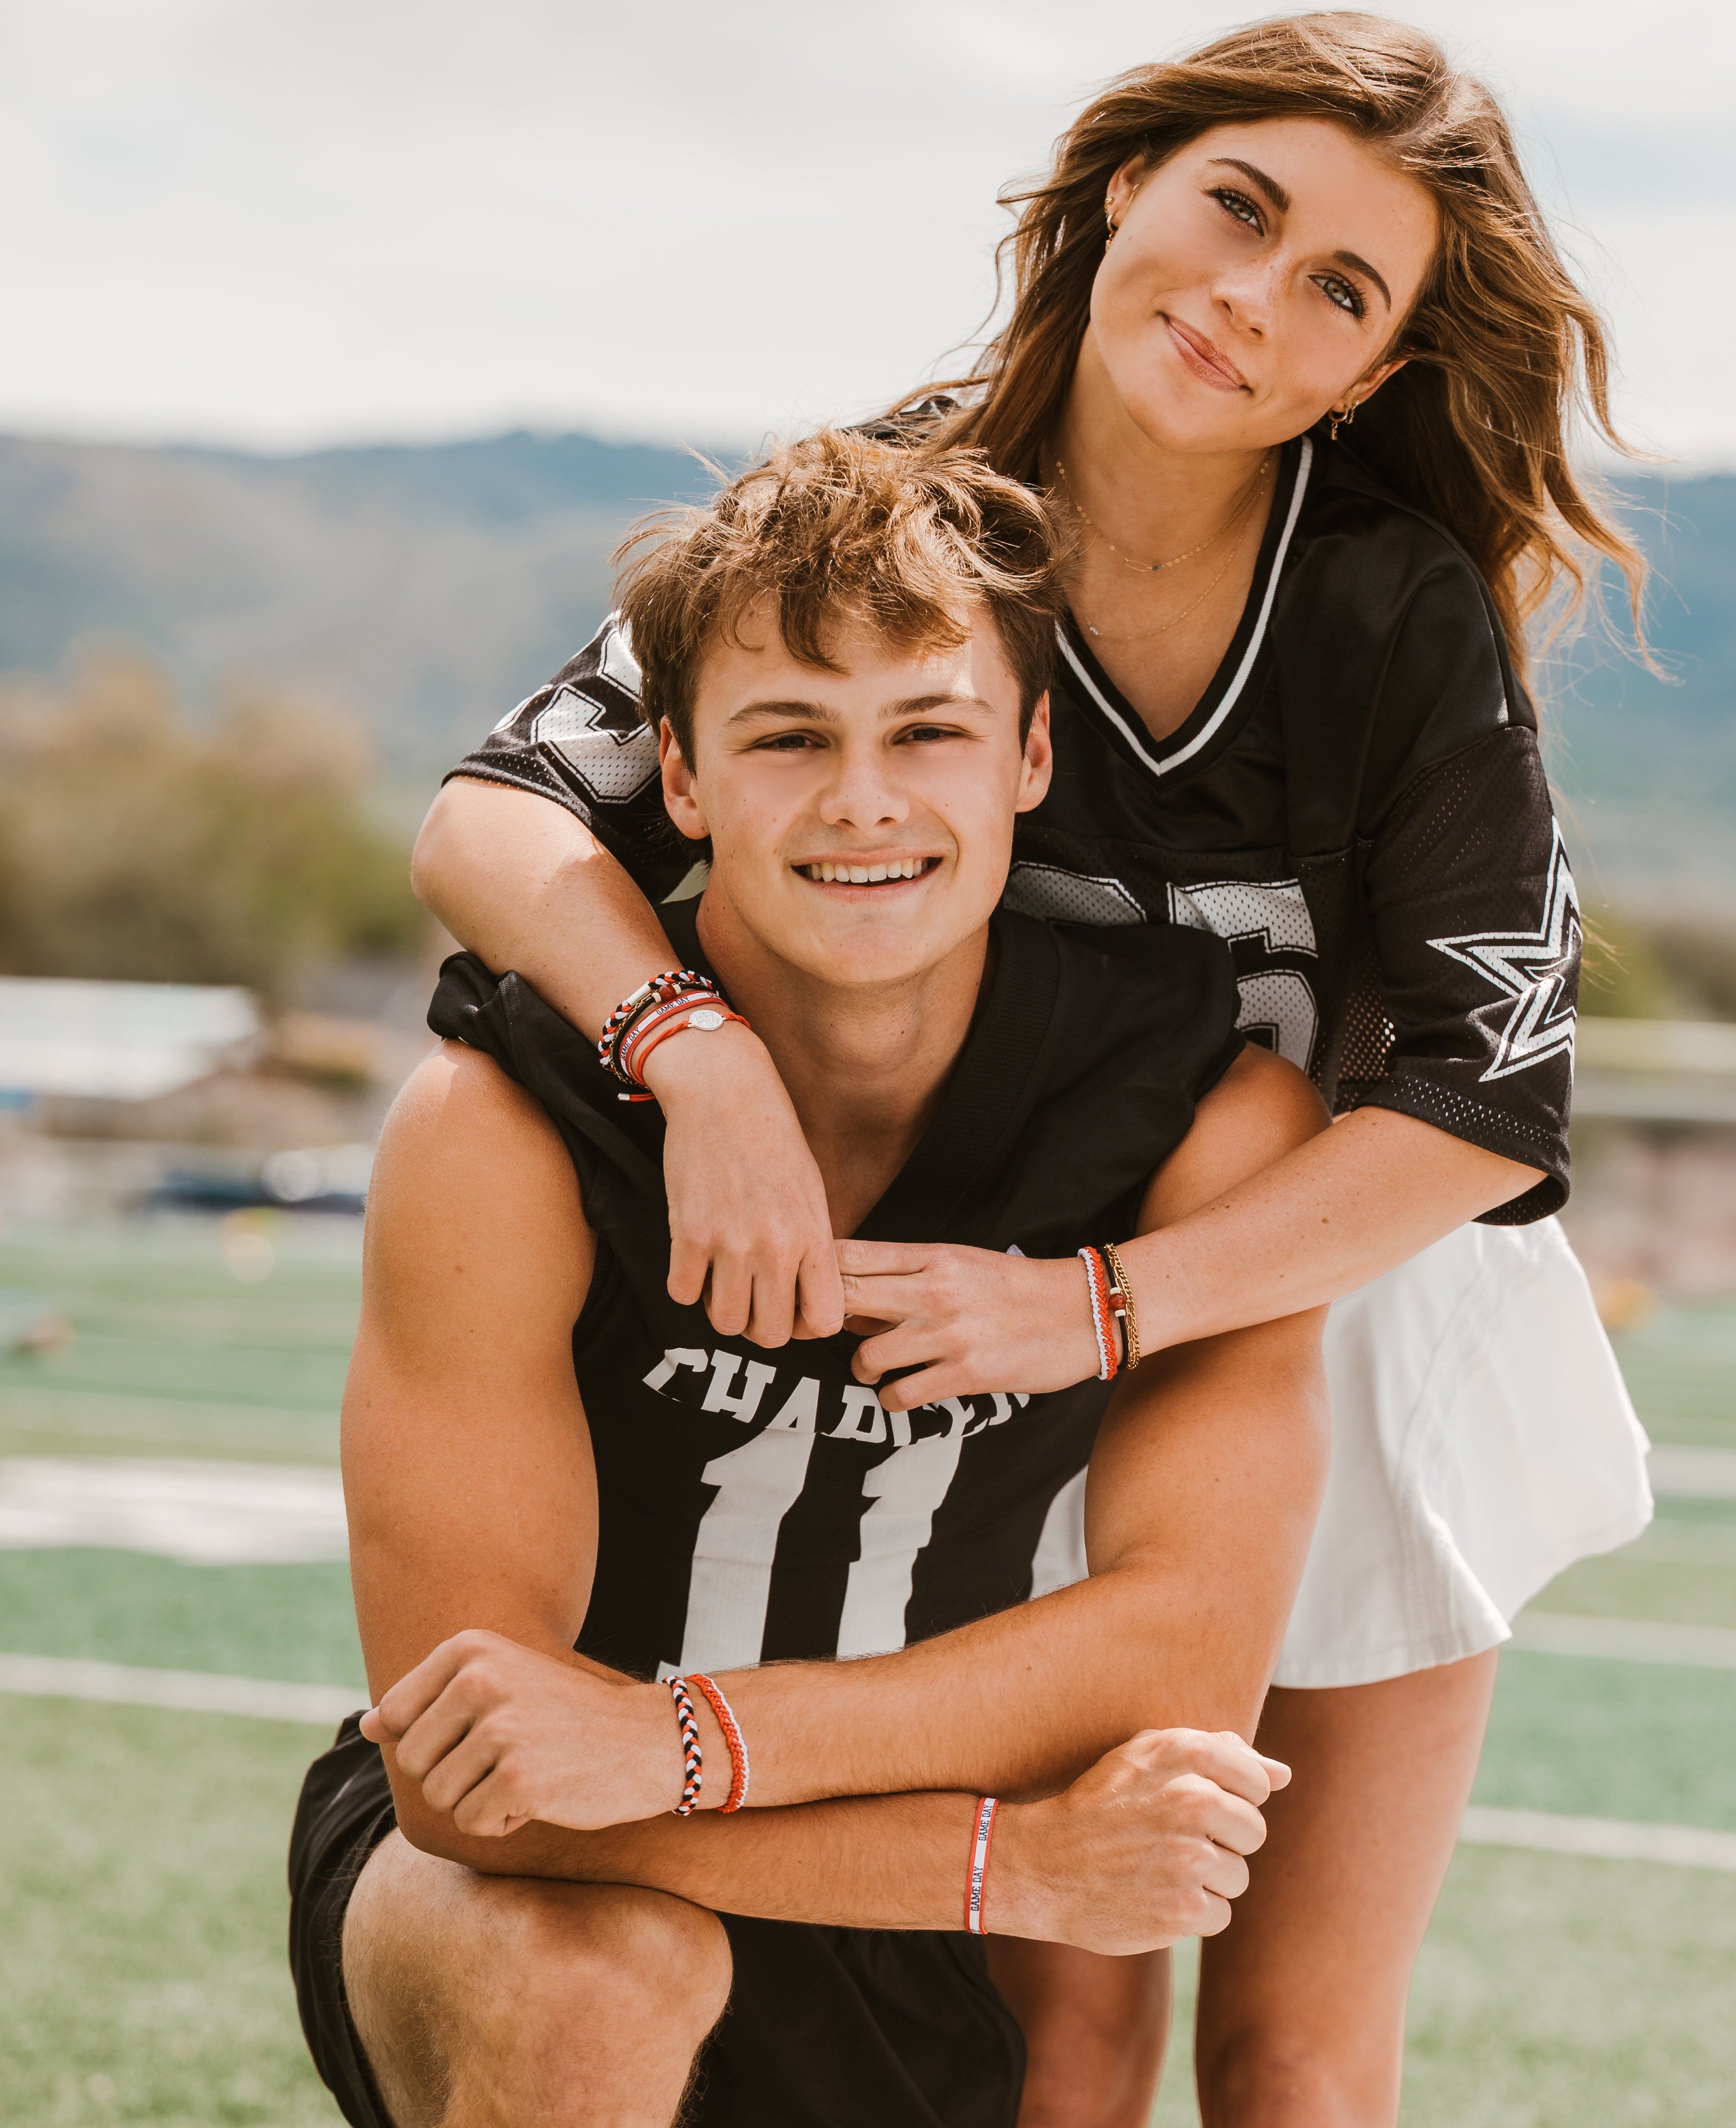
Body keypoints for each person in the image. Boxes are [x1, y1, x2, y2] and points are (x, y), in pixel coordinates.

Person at [408, 14, 1655, 2125]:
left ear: (1372, 371)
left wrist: (1092, 1307)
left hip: (1320, 1303)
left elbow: (1478, 1109)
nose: (1250, 298)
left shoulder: (1386, 607)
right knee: (1057, 2012)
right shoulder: (905, 509)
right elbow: (492, 819)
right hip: (987, 1308)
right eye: (1233, 210)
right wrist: (689, 1051)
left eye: (1339, 290)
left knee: (1294, 2044)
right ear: (1117, 198)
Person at [289, 434, 1337, 2128]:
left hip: (895, 1904)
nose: (864, 801)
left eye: (927, 730)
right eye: (790, 738)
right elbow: (479, 1781)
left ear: (1029, 754)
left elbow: (1188, 1646)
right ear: (684, 782)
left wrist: (683, 1738)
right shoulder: (502, 1118)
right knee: (605, 1979)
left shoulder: (1199, 1112)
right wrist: (1011, 1865)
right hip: (555, 1891)